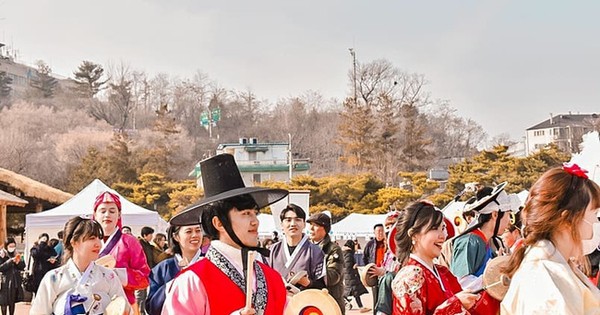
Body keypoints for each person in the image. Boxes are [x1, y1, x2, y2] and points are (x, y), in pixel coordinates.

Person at [163, 153, 289, 314]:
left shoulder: (273, 279)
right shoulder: (192, 281)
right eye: (245, 214)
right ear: (219, 223)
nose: (255, 221)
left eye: (254, 213)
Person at [502, 164, 600, 313]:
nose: (596, 223)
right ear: (568, 220)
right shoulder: (545, 280)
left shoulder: (553, 267)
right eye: (594, 215)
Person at [391, 200, 495, 314]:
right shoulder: (410, 277)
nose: (443, 236)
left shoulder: (442, 272)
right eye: (434, 228)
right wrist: (455, 304)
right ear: (414, 235)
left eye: (442, 228)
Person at [30, 216, 128, 315]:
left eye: (99, 238)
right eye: (92, 238)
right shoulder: (53, 278)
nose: (98, 244)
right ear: (74, 242)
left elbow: (124, 308)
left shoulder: (108, 277)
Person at [93, 191, 151, 314]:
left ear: (119, 215)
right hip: (92, 304)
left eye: (112, 211)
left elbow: (145, 277)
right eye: (102, 211)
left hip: (125, 306)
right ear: (95, 214)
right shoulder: (86, 241)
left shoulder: (130, 242)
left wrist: (116, 275)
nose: (107, 215)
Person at [146, 224, 202, 315]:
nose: (195, 235)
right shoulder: (163, 268)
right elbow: (152, 307)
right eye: (189, 231)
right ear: (176, 237)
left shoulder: (212, 264)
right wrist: (177, 282)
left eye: (198, 231)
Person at [269, 203, 326, 291]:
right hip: (278, 301)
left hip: (303, 302)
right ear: (281, 225)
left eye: (298, 220)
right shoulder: (272, 250)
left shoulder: (315, 251)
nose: (293, 224)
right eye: (288, 220)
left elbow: (322, 286)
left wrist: (307, 282)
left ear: (304, 224)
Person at [307, 212, 345, 313]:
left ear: (325, 229)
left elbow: (333, 277)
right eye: (310, 225)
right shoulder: (305, 248)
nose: (311, 228)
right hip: (310, 302)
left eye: (315, 225)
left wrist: (308, 275)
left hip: (330, 301)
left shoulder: (333, 249)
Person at [341, 240, 370, 313]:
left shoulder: (344, 253)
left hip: (348, 275)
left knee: (353, 291)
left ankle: (345, 300)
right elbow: (348, 265)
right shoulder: (348, 254)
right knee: (355, 292)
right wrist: (354, 266)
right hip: (351, 275)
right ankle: (361, 307)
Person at [363, 223, 386, 310]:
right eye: (378, 231)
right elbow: (365, 257)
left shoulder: (387, 243)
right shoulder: (370, 244)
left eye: (382, 231)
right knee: (376, 298)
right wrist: (369, 269)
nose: (380, 233)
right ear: (374, 233)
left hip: (385, 272)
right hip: (374, 273)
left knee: (386, 298)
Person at [0, 238, 25, 315]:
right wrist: (10, 261)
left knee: (12, 301)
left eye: (14, 246)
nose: (12, 248)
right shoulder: (1, 254)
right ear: (6, 246)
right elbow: (1, 267)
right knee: (3, 302)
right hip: (4, 281)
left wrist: (18, 263)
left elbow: (23, 266)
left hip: (14, 282)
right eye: (10, 246)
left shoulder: (17, 254)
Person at [137, 226, 155, 315]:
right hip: (140, 271)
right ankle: (138, 311)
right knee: (140, 293)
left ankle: (142, 310)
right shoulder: (139, 244)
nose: (152, 236)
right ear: (145, 235)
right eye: (150, 234)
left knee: (144, 294)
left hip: (147, 270)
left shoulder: (148, 245)